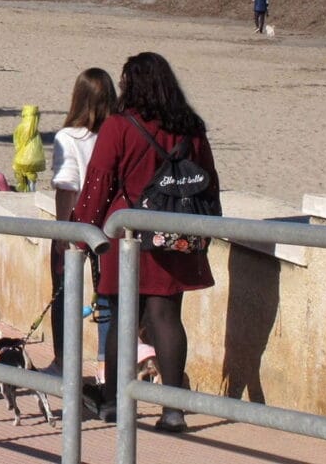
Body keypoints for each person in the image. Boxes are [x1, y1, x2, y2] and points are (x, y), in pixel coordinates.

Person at [73, 52, 219, 433]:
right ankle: (173, 410)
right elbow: (209, 179)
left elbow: (99, 180)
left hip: (129, 232)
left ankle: (115, 404)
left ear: (131, 85)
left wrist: (82, 232)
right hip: (176, 231)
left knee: (123, 318)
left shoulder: (121, 125)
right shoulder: (190, 126)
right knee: (167, 316)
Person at [47, 68, 116, 375]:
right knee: (107, 294)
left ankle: (64, 361)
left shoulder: (68, 137)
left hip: (77, 221)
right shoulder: (116, 133)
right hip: (109, 223)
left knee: (64, 292)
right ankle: (105, 363)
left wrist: (62, 231)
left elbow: (66, 186)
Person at [12, 105, 45, 191]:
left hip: (22, 159)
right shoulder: (35, 129)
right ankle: (32, 189)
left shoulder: (21, 127)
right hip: (36, 159)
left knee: (21, 173)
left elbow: (17, 142)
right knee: (31, 173)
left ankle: (24, 190)